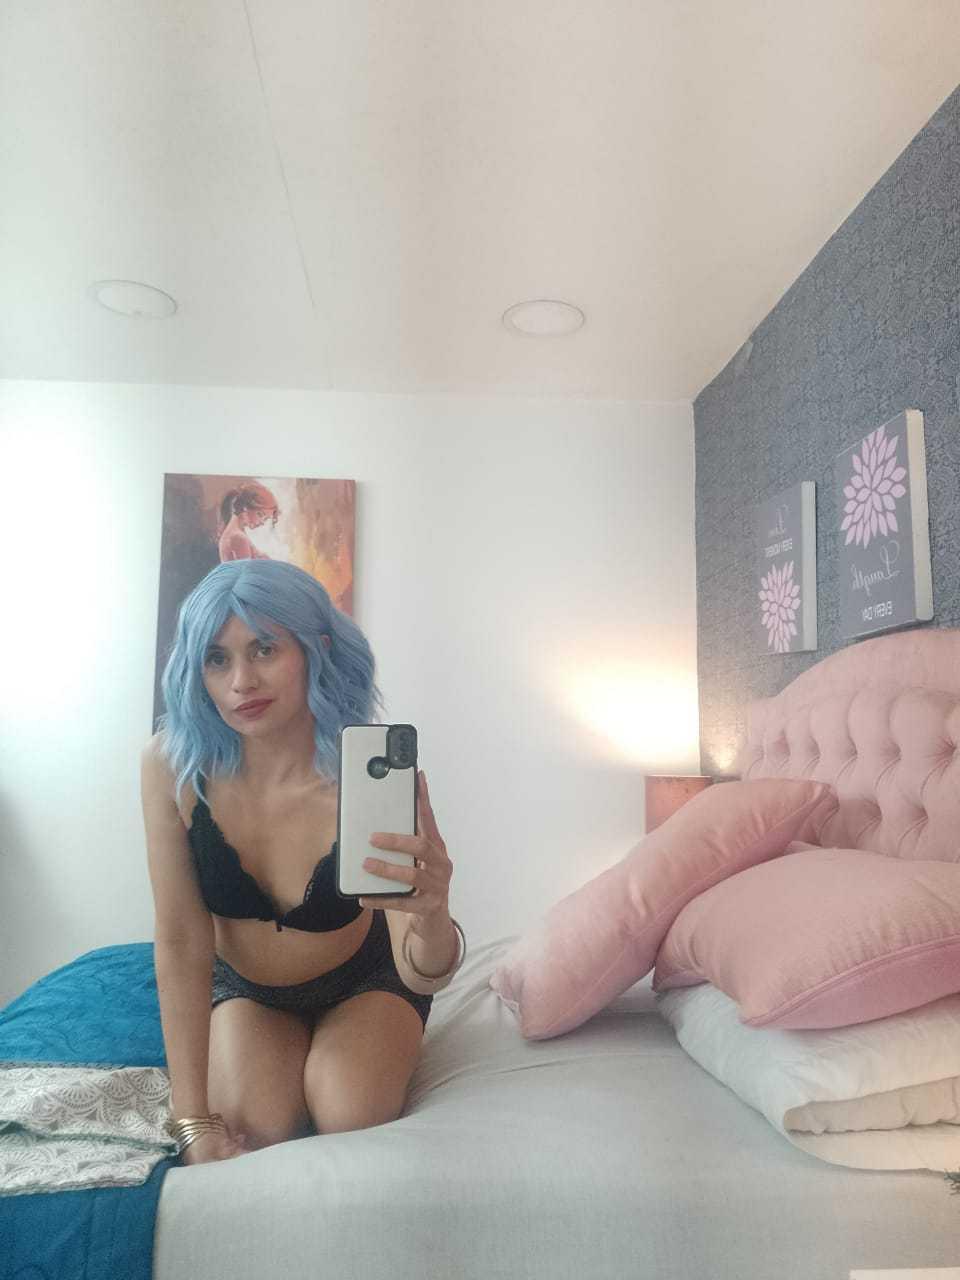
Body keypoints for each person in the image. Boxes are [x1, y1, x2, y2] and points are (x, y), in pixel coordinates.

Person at [141, 559, 464, 1166]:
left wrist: (433, 915)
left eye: (264, 649)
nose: (241, 681)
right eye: (217, 659)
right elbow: (181, 939)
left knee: (350, 1112)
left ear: (317, 650)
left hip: (365, 979)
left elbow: (424, 970)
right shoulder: (173, 767)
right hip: (248, 988)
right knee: (251, 1127)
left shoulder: (363, 773)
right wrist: (190, 1118)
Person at [217, 482, 279, 562]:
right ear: (245, 508)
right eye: (260, 515)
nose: (262, 522)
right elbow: (246, 569)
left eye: (265, 519)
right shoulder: (238, 538)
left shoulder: (235, 533)